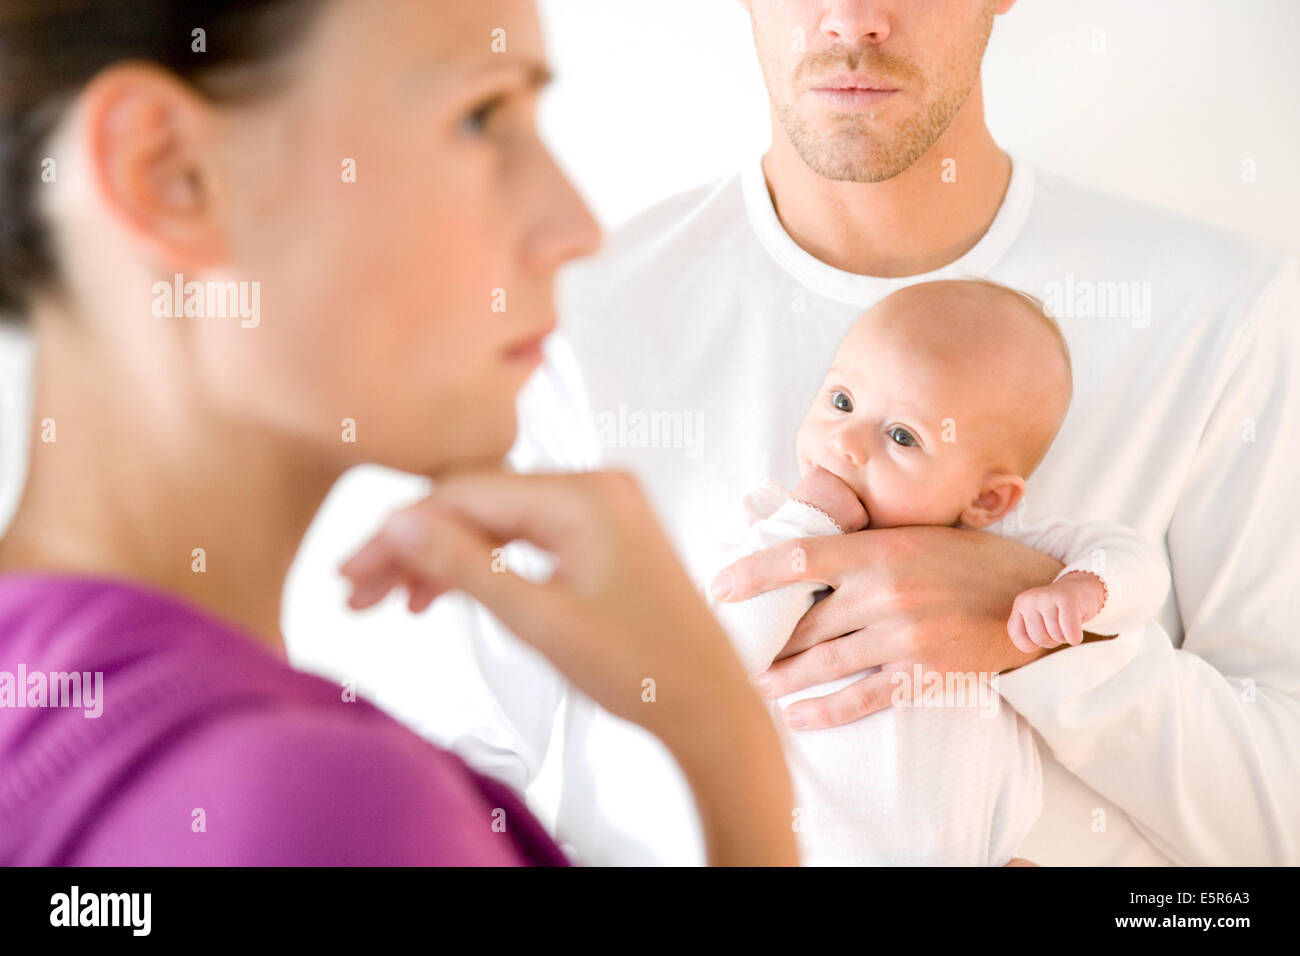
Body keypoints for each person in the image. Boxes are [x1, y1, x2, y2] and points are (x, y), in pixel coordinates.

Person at [448, 0, 1300, 865]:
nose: (852, 20)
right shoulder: (568, 322)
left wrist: (1039, 633)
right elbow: (454, 779)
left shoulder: (1222, 314)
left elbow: (1279, 826)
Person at [0, 0, 796, 866]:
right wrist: (730, 750)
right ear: (169, 172)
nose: (577, 229)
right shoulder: (326, 808)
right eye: (482, 116)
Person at [712, 278, 1170, 865]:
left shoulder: (1009, 550)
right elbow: (720, 656)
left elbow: (1139, 568)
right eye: (842, 401)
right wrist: (809, 521)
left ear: (987, 501)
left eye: (902, 436)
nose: (845, 443)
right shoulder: (770, 526)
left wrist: (1085, 590)